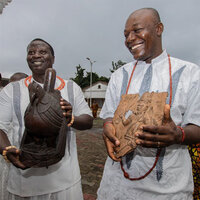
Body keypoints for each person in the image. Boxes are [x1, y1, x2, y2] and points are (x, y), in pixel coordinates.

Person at [97, 8, 200, 200]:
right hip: (116, 186)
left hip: (168, 190)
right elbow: (109, 116)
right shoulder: (119, 75)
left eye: (136, 30)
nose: (129, 38)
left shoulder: (190, 73)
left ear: (159, 28)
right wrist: (107, 128)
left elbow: (198, 127)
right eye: (126, 34)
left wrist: (179, 135)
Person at [0, 38, 93, 200]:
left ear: (53, 58)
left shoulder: (71, 87)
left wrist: (70, 118)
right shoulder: (12, 90)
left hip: (65, 180)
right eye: (31, 52)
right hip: (24, 182)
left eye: (42, 52)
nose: (36, 55)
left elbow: (88, 121)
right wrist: (6, 150)